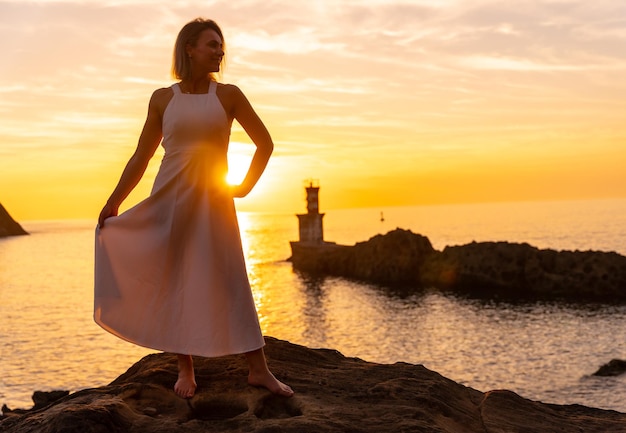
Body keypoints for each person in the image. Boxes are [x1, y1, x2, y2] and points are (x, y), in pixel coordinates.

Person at [94, 18, 293, 399]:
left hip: (214, 201)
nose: (220, 51)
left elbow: (264, 143)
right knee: (173, 278)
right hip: (169, 198)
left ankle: (259, 369)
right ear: (189, 48)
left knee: (230, 275)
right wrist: (115, 200)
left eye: (221, 46)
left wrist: (245, 186)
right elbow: (141, 156)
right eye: (212, 44)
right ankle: (185, 367)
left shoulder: (229, 95)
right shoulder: (162, 98)